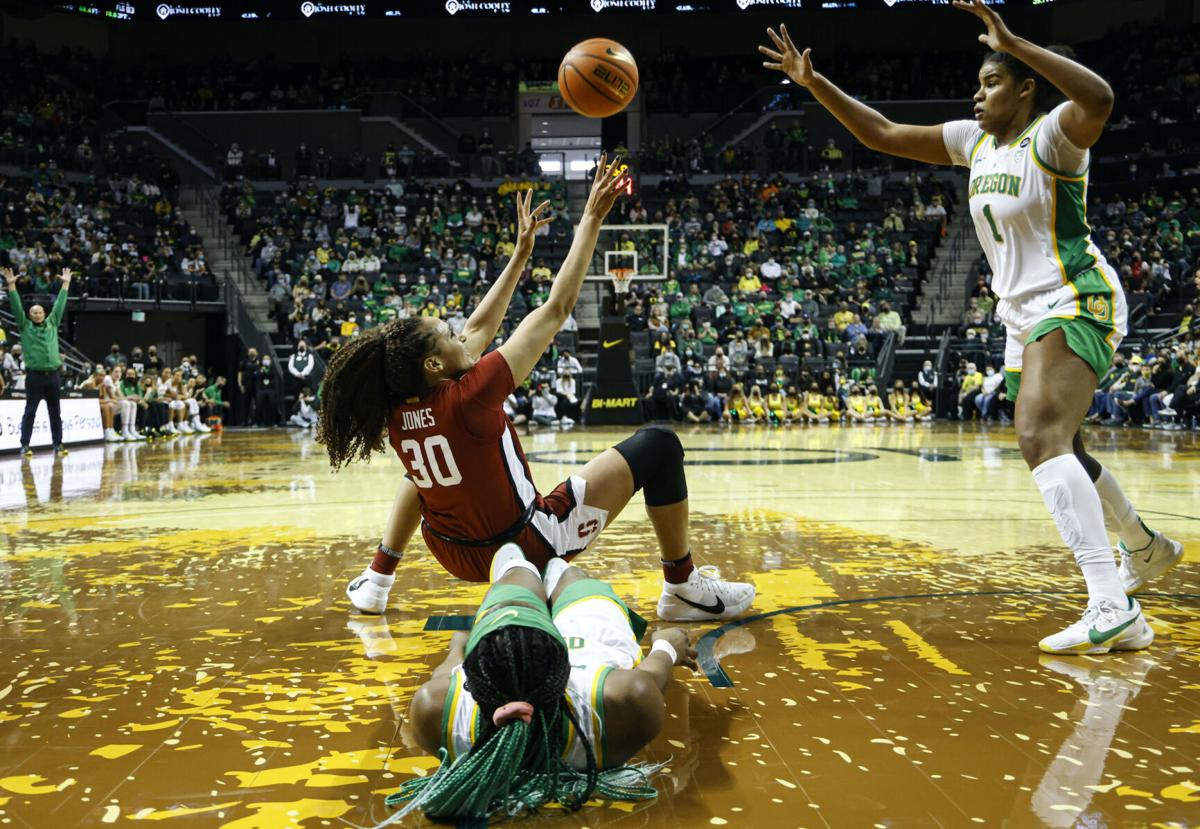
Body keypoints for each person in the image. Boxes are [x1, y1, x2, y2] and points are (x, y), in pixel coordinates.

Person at [759, 1, 1180, 654]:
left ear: (1025, 88)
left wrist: (1015, 41)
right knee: (1064, 445)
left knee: (1040, 433)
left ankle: (1110, 602)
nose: (976, 94)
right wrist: (814, 82)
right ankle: (1143, 547)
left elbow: (1099, 95)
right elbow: (882, 133)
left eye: (990, 83)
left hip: (1074, 296)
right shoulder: (973, 143)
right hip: (1020, 316)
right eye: (978, 84)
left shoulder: (1056, 136)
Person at [318, 160, 754, 622]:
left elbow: (479, 327)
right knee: (660, 446)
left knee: (420, 475)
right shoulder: (473, 393)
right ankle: (682, 585)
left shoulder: (396, 404)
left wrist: (521, 252)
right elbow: (558, 306)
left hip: (452, 551)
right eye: (448, 333)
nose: (459, 334)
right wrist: (591, 218)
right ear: (433, 363)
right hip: (526, 542)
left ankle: (379, 577)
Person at [391, 543, 691, 823]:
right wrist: (668, 645)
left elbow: (445, 672)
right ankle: (554, 566)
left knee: (515, 570)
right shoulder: (624, 699)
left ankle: (520, 566)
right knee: (571, 573)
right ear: (564, 669)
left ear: (472, 678)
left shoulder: (433, 710)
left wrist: (457, 646)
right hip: (592, 636)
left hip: (524, 640)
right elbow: (653, 675)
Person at [4, 267, 71, 457]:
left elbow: (60, 304)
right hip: (34, 376)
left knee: (55, 413)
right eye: (34, 312)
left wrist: (65, 283)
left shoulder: (52, 323)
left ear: (44, 313)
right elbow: (16, 306)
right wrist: (12, 286)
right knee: (30, 412)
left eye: (40, 312)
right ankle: (24, 445)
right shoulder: (25, 326)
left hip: (53, 376)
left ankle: (58, 444)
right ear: (30, 315)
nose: (38, 314)